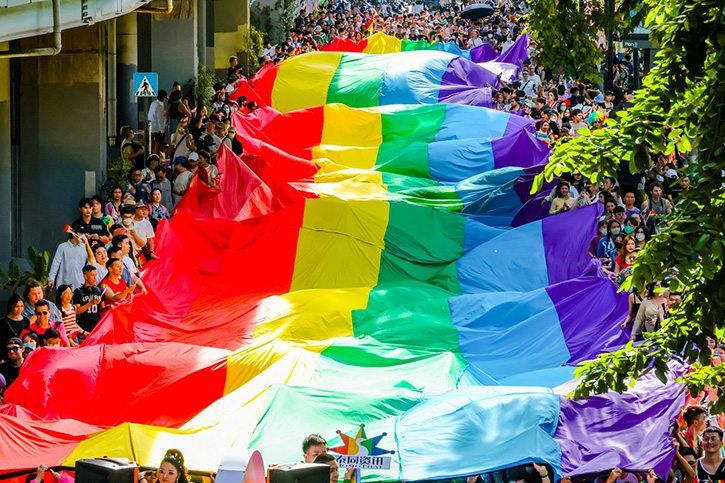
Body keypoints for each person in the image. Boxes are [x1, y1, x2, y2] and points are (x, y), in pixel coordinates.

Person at [73, 265, 104, 335]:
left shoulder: (99, 290)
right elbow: (77, 311)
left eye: (96, 275)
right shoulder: (78, 292)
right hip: (83, 327)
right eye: (92, 275)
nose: (95, 278)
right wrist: (90, 303)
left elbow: (102, 309)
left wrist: (108, 307)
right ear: (85, 276)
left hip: (97, 327)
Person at [148, 90, 168, 156]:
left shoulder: (153, 103)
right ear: (163, 97)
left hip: (151, 127)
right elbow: (160, 119)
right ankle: (156, 161)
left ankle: (151, 160)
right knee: (157, 146)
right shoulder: (160, 106)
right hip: (157, 129)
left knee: (152, 146)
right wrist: (162, 131)